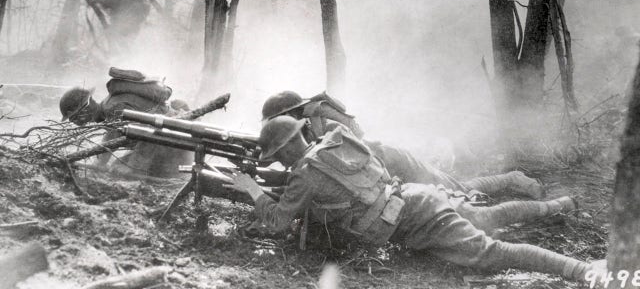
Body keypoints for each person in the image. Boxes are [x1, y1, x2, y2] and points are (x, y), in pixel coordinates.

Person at [225, 116, 596, 281]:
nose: (280, 161)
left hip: (414, 219)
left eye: (277, 155)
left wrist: (252, 189)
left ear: (287, 150)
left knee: (489, 254)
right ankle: (558, 205)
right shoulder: (332, 140)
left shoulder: (304, 175)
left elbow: (275, 222)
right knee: (490, 216)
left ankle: (585, 271)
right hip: (415, 198)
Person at [261, 91, 544, 199]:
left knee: (457, 188)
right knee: (450, 191)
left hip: (390, 160)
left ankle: (513, 179)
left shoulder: (320, 117)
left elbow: (354, 147)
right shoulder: (302, 131)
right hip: (381, 173)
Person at [59, 67, 190, 177]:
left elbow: (147, 134)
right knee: (117, 168)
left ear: (83, 110)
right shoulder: (109, 108)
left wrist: (133, 167)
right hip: (168, 141)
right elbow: (111, 138)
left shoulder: (113, 108)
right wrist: (99, 164)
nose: (76, 123)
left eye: (74, 118)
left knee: (123, 173)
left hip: (176, 144)